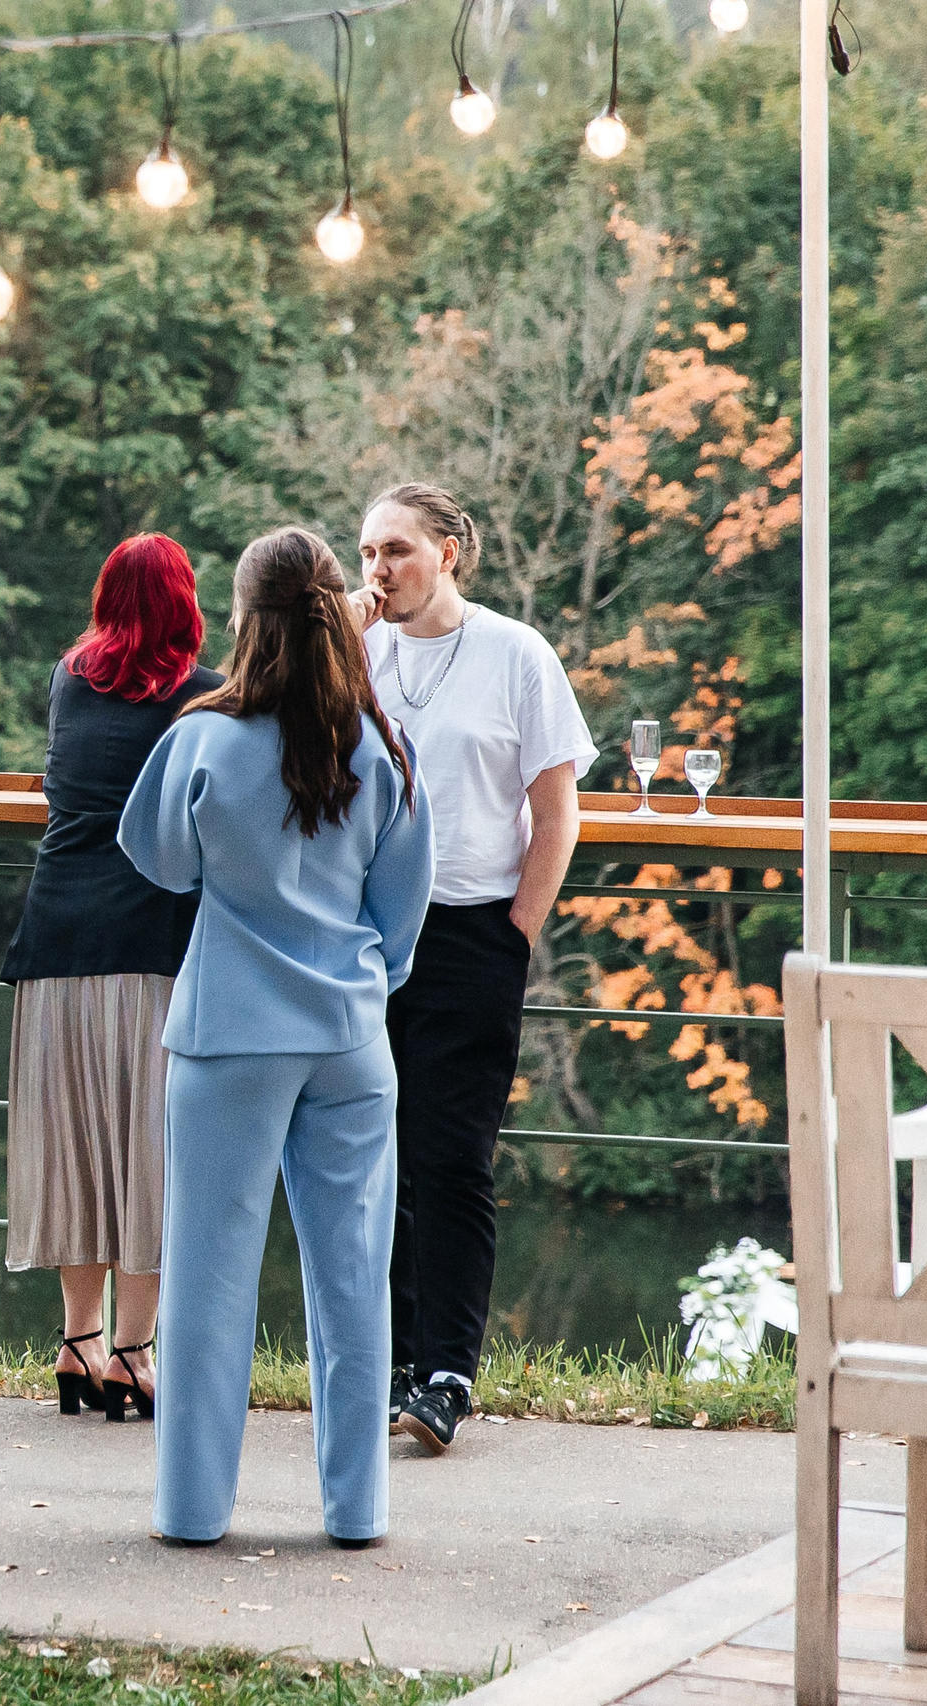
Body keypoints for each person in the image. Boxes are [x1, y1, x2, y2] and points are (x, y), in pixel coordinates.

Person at [121, 525, 431, 1550]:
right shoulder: (384, 744)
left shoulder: (201, 737)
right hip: (348, 1035)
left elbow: (159, 862)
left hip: (228, 1033)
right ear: (339, 608)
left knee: (208, 1279)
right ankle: (358, 1509)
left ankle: (193, 1510)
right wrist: (348, 981)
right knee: (353, 1278)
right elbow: (401, 922)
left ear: (242, 617)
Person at [352, 483, 594, 1455]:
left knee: (451, 1157)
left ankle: (445, 1371)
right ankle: (386, 1363)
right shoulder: (356, 650)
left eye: (396, 550)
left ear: (448, 551)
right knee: (370, 1156)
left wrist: (516, 927)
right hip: (365, 934)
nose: (378, 569)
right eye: (366, 552)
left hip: (469, 933)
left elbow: (557, 806)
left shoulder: (514, 655)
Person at [0, 534, 221, 1424]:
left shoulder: (66, 680)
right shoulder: (204, 696)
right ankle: (133, 1351)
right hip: (150, 944)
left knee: (74, 1151)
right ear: (185, 604)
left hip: (53, 936)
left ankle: (76, 1341)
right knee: (146, 1154)